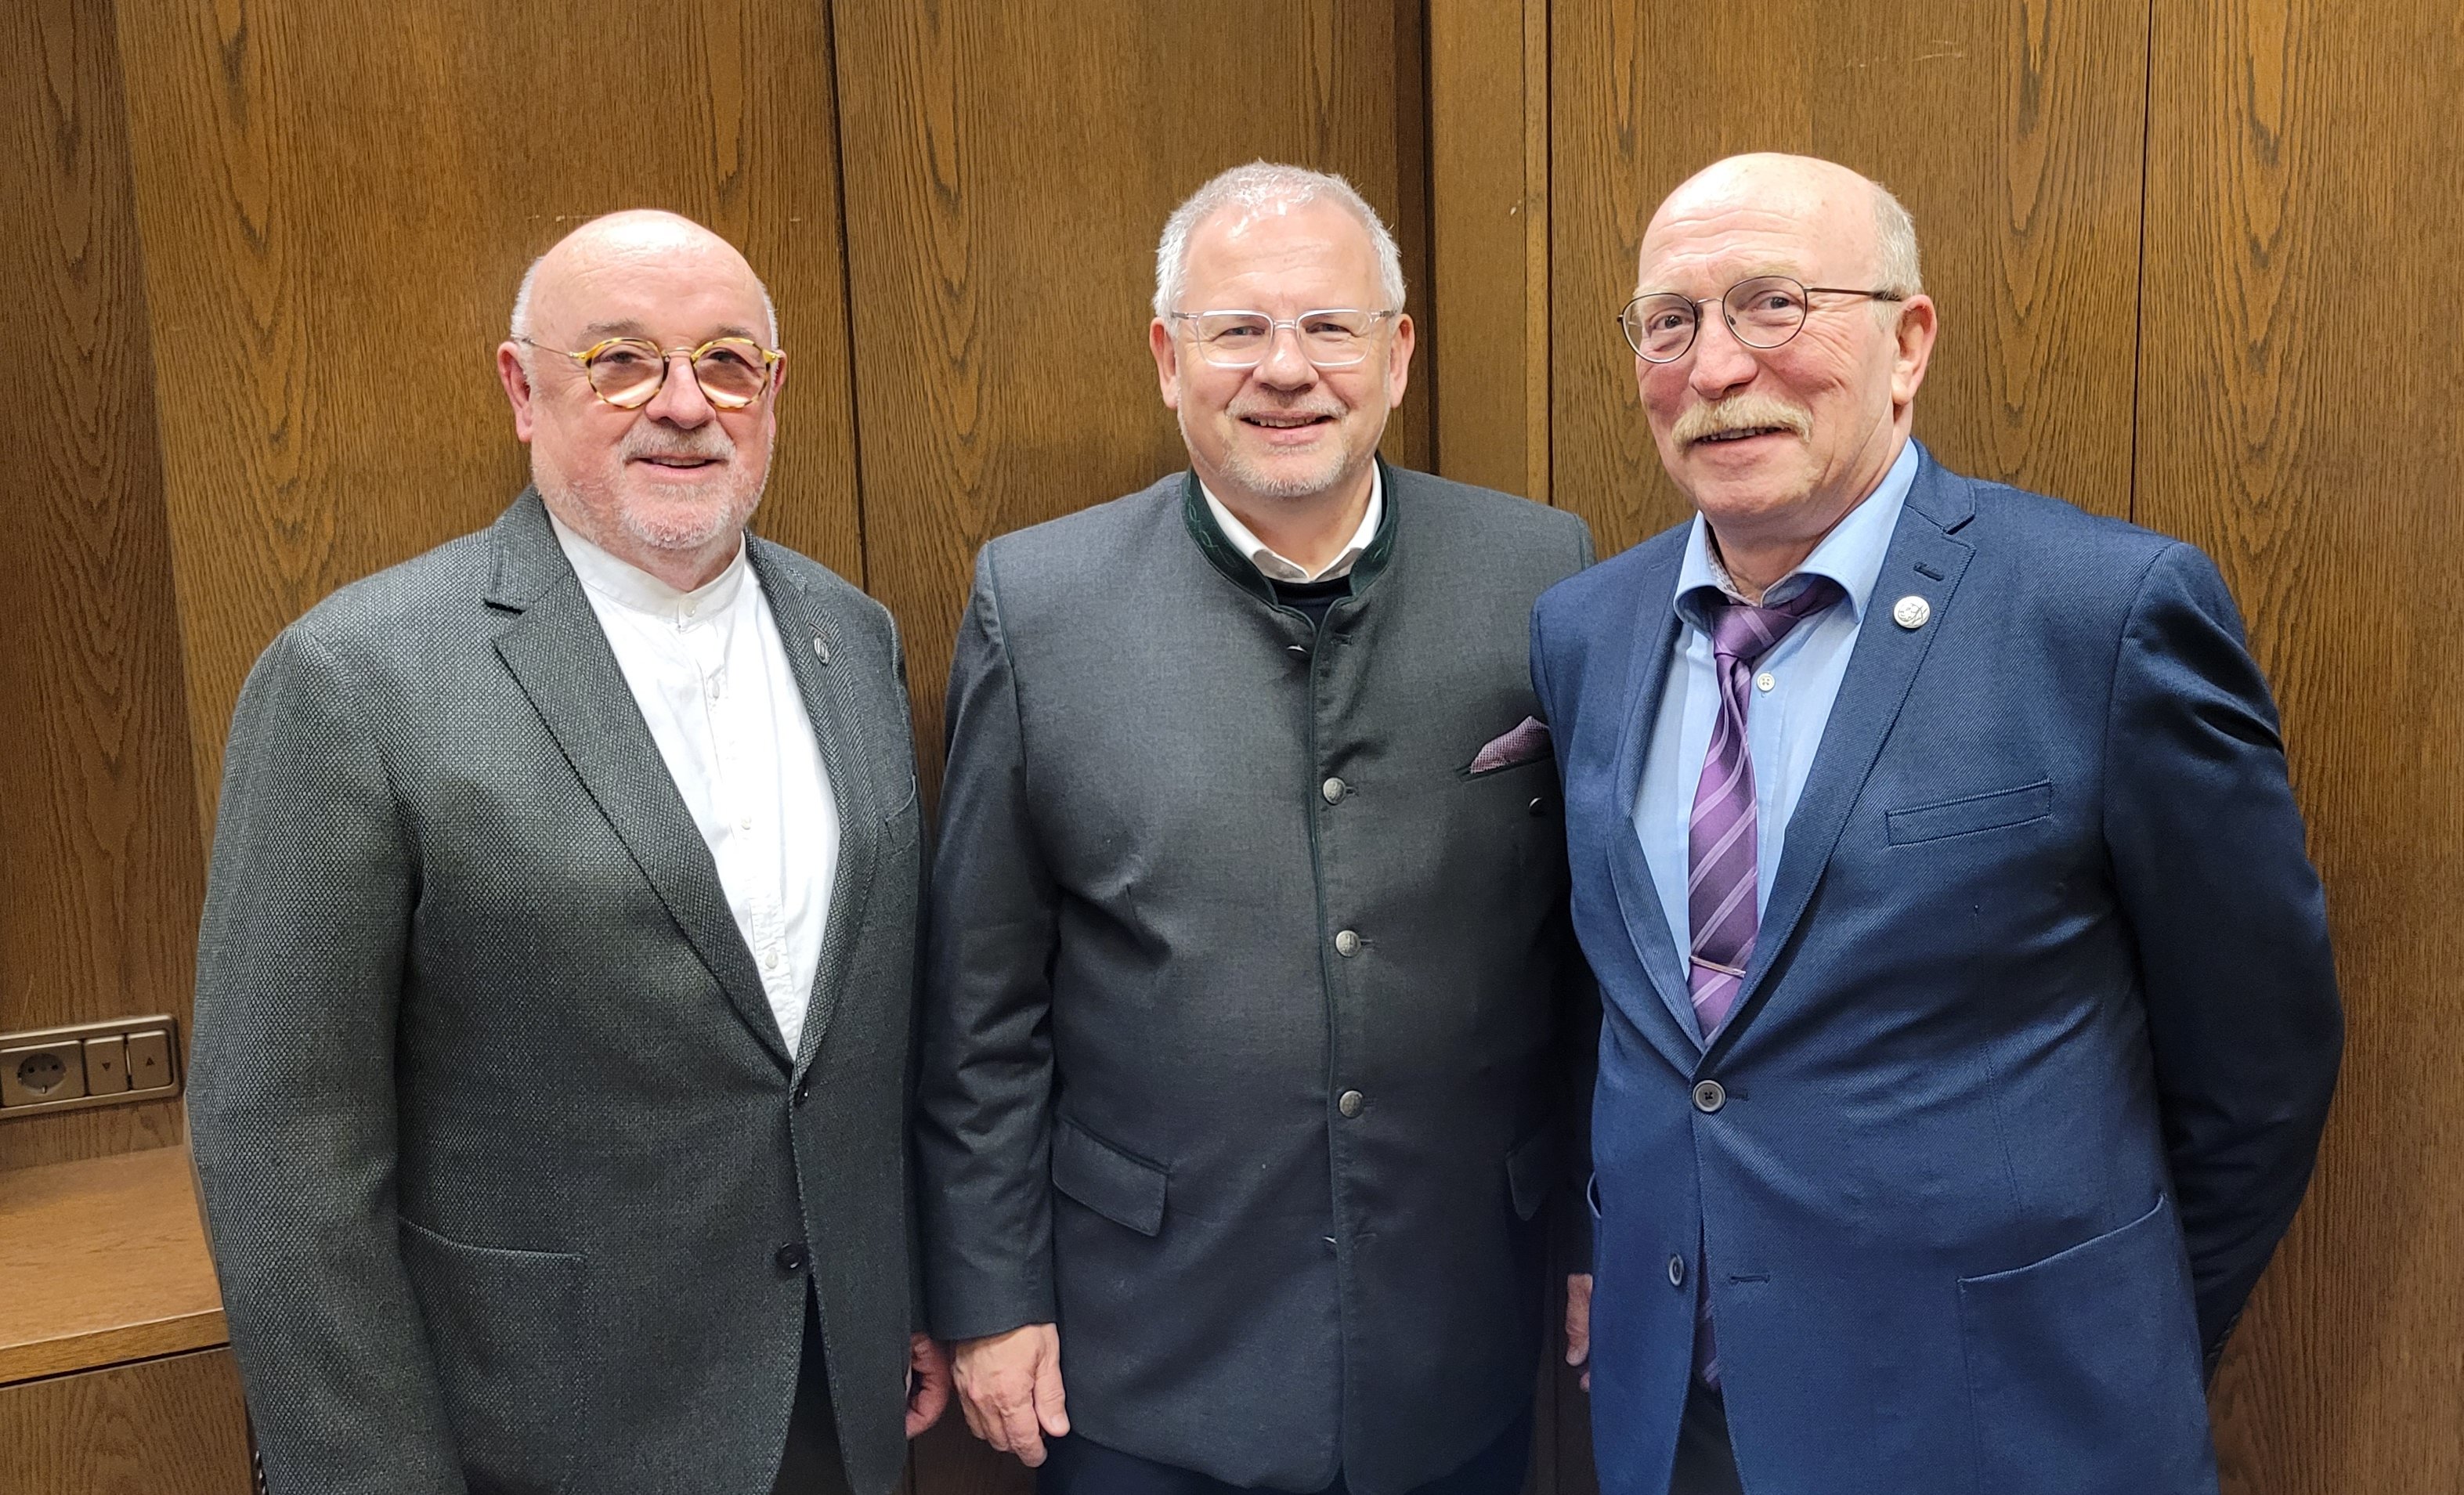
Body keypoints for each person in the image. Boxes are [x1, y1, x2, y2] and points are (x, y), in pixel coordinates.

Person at [1529, 153, 2342, 1495]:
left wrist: (2102, 1333)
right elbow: (1623, 1012)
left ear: (1908, 341)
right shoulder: (1585, 629)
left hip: (2008, 1423)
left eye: (1773, 304)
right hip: (1680, 1419)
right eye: (1669, 321)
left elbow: (2259, 1063)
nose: (1716, 365)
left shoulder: (2102, 613)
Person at [186, 209, 947, 1495]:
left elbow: (855, 1047)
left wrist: (905, 1286)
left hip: (834, 1403)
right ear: (522, 389)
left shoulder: (851, 637)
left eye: (724, 362)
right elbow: (280, 1143)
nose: (682, 405)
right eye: (620, 361)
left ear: (773, 392)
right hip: (541, 1433)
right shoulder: (355, 680)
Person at [918, 162, 1598, 1495]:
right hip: (1142, 1351)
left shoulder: (1540, 573)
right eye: (1238, 329)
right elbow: (981, 1003)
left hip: (1455, 1328)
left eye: (1329, 327)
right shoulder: (1036, 602)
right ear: (1169, 359)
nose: (1285, 369)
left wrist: (1592, 1230)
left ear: (1397, 357)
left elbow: (1584, 961)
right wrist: (990, 1295)